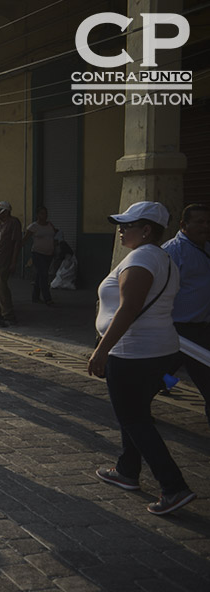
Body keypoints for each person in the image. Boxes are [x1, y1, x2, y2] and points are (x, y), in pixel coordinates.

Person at [89, 201, 195, 516]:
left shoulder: (141, 259)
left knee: (134, 418)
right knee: (134, 413)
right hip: (159, 351)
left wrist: (102, 349)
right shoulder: (162, 258)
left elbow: (130, 307)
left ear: (146, 230)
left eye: (128, 225)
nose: (121, 229)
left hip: (133, 353)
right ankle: (127, 470)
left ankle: (174, 486)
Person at [162, 203, 210, 426]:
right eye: (199, 222)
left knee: (162, 372)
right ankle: (135, 413)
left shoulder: (206, 248)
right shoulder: (173, 251)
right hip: (178, 329)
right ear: (183, 225)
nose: (205, 227)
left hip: (201, 328)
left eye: (208, 222)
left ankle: (150, 392)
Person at [0, 201, 22, 327]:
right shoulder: (0, 224)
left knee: (1, 286)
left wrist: (13, 261)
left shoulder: (13, 223)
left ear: (5, 211)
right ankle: (0, 312)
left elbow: (17, 243)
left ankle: (8, 314)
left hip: (4, 260)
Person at [22, 206, 58, 306]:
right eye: (42, 213)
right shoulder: (33, 226)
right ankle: (48, 298)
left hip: (49, 254)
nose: (45, 215)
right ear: (37, 215)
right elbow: (24, 239)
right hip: (38, 254)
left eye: (45, 213)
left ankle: (35, 296)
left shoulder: (50, 225)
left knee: (40, 275)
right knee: (44, 275)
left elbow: (54, 235)